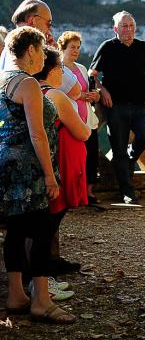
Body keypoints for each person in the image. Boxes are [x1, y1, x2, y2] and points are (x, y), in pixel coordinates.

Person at [0, 26, 75, 324]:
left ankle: (16, 295)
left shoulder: (2, 80)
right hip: (29, 168)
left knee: (16, 231)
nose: (44, 56)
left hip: (6, 164)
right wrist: (49, 175)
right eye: (42, 50)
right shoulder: (28, 84)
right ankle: (41, 301)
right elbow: (38, 134)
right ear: (30, 50)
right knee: (43, 232)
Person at [35, 48, 91, 271]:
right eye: (60, 68)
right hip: (63, 160)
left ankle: (46, 266)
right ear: (50, 70)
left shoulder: (28, 91)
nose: (62, 72)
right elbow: (83, 132)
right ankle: (43, 270)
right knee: (53, 217)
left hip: (50, 157)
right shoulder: (55, 95)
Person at [89, 11, 145, 204]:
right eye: (124, 26)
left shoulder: (143, 47)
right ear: (116, 29)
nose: (128, 29)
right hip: (115, 106)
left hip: (139, 104)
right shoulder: (107, 47)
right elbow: (92, 75)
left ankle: (130, 159)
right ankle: (127, 192)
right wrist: (103, 91)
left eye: (131, 25)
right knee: (118, 150)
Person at [58, 32, 101, 205]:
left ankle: (87, 193)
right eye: (72, 47)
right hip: (69, 120)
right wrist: (82, 95)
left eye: (78, 47)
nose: (76, 51)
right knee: (72, 160)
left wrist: (94, 96)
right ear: (63, 48)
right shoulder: (57, 68)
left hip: (88, 118)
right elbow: (59, 94)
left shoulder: (82, 68)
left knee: (91, 157)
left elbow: (88, 89)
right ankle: (70, 195)